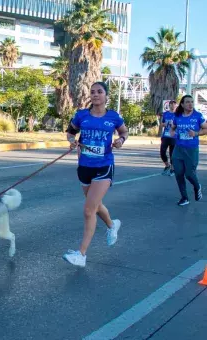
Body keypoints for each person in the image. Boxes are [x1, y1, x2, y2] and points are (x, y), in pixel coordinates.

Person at [63, 82, 129, 267]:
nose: (95, 94)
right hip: (84, 166)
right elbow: (70, 132)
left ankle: (81, 254)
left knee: (88, 210)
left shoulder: (113, 117)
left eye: (99, 91)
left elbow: (124, 131)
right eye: (92, 92)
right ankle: (112, 225)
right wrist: (72, 141)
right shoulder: (81, 115)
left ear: (106, 95)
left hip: (104, 166)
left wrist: (120, 140)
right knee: (96, 204)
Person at [170, 95, 207, 206]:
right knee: (179, 173)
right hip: (178, 149)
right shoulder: (177, 116)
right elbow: (173, 127)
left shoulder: (198, 116)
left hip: (191, 149)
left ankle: (197, 186)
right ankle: (184, 198)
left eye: (192, 102)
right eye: (187, 102)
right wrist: (173, 132)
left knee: (189, 174)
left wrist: (196, 133)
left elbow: (205, 128)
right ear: (182, 104)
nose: (190, 104)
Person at [160, 100, 177, 176]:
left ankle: (172, 169)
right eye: (171, 104)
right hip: (165, 136)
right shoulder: (165, 114)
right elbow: (161, 124)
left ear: (176, 106)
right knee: (162, 152)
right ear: (169, 105)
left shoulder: (178, 115)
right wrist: (165, 123)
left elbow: (179, 125)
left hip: (174, 136)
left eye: (174, 105)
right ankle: (167, 165)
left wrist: (173, 124)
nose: (173, 106)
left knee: (172, 154)